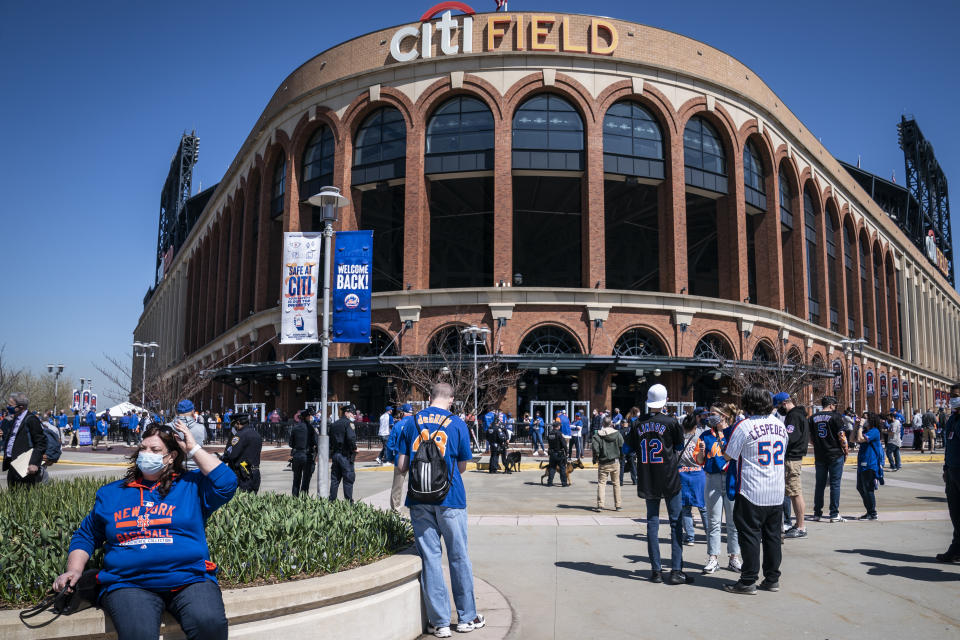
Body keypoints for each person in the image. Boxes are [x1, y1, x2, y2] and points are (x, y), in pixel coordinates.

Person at [53, 420, 238, 640]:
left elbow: (226, 482)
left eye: (155, 450)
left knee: (209, 624)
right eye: (143, 448)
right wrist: (74, 570)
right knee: (138, 634)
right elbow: (87, 535)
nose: (146, 453)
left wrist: (193, 449)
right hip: (129, 583)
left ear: (172, 456)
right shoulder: (112, 494)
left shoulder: (192, 486)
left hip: (189, 578)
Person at [396, 383, 484, 637]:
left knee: (431, 559)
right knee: (458, 557)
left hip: (419, 499)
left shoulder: (410, 423)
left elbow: (402, 465)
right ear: (451, 400)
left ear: (429, 397)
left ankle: (440, 622)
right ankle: (467, 618)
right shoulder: (457, 424)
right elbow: (463, 466)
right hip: (451, 498)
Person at [721, 386, 788, 595]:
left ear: (748, 403)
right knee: (772, 537)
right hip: (776, 490)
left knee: (749, 536)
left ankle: (748, 579)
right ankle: (771, 578)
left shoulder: (744, 426)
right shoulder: (780, 425)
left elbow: (728, 455)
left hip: (751, 489)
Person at [629, 384, 693, 585]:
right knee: (675, 523)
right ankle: (675, 571)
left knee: (652, 523)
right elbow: (680, 446)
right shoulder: (671, 422)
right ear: (666, 400)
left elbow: (627, 448)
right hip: (670, 477)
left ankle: (656, 571)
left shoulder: (637, 423)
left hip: (648, 478)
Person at [700, 404, 741, 574]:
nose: (710, 417)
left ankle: (734, 558)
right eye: (710, 414)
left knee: (733, 522)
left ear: (724, 416)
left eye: (714, 414)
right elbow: (700, 460)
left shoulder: (734, 432)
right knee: (714, 521)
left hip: (731, 478)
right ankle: (713, 558)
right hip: (713, 479)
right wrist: (702, 452)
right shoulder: (705, 435)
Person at [775, 392, 809, 539]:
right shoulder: (799, 414)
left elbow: (790, 437)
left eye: (778, 406)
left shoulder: (793, 416)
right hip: (794, 457)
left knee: (795, 493)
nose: (778, 410)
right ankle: (798, 524)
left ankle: (801, 526)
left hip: (792, 458)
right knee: (794, 492)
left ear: (783, 403)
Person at [811, 396, 848, 522]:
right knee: (835, 484)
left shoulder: (813, 418)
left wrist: (818, 445)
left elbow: (811, 438)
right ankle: (834, 514)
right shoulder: (836, 416)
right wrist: (846, 450)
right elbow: (841, 435)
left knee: (819, 485)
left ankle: (817, 513)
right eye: (835, 405)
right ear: (831, 405)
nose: (835, 407)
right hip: (835, 454)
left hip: (820, 454)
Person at [936, 382, 960, 563]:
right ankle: (956, 548)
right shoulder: (952, 419)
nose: (952, 399)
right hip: (952, 472)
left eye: (956, 395)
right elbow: (948, 446)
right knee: (955, 512)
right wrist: (945, 468)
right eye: (951, 396)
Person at [2, 392, 45, 488]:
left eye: (10, 405)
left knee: (24, 497)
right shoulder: (15, 418)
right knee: (13, 497)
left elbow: (40, 443)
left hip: (25, 467)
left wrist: (34, 463)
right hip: (12, 464)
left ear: (20, 406)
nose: (8, 407)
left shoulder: (31, 420)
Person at [678, 413, 707, 546]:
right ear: (695, 427)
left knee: (685, 508)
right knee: (703, 507)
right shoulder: (700, 439)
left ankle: (690, 537)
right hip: (698, 474)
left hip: (682, 474)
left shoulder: (678, 440)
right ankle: (709, 533)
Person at [220, 412, 261, 493]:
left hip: (243, 476)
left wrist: (222, 458)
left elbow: (232, 455)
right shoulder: (256, 434)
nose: (234, 426)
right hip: (255, 473)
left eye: (234, 424)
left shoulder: (239, 435)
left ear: (238, 423)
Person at [855, 413, 885, 520]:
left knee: (868, 489)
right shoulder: (865, 431)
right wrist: (856, 425)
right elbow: (852, 439)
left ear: (871, 420)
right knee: (860, 487)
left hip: (870, 464)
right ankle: (869, 510)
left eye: (865, 418)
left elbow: (860, 439)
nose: (863, 419)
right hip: (862, 464)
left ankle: (872, 513)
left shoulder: (874, 431)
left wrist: (861, 425)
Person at [591, 416, 623, 511]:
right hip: (615, 462)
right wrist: (621, 457)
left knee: (601, 483)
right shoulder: (617, 434)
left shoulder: (597, 435)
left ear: (602, 424)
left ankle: (600, 505)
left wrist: (595, 459)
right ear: (611, 424)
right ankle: (618, 505)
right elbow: (622, 446)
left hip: (603, 462)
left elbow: (595, 449)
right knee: (616, 483)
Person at [387, 403, 415, 511]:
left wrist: (390, 458)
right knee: (415, 485)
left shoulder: (398, 425)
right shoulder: (417, 423)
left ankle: (396, 510)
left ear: (402, 412)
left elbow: (390, 444)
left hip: (400, 458)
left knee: (397, 486)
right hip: (415, 458)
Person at [329, 404, 358, 501]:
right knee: (348, 479)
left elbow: (330, 440)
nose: (354, 415)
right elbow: (351, 438)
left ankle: (331, 501)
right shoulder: (348, 423)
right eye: (352, 413)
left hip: (336, 454)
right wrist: (354, 448)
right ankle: (348, 503)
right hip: (345, 455)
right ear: (346, 413)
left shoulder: (334, 424)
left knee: (335, 480)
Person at [288, 409, 317, 497]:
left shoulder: (295, 427)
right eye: (310, 416)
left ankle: (294, 498)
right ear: (307, 417)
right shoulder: (310, 428)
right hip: (306, 456)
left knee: (296, 479)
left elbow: (291, 443)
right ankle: (303, 498)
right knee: (306, 479)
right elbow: (315, 442)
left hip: (296, 455)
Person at [545, 420, 568, 487]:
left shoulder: (550, 434)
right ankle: (564, 483)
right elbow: (564, 444)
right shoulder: (559, 434)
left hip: (552, 453)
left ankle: (549, 483)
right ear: (558, 426)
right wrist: (567, 453)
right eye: (559, 426)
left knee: (552, 468)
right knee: (562, 468)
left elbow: (549, 442)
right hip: (559, 453)